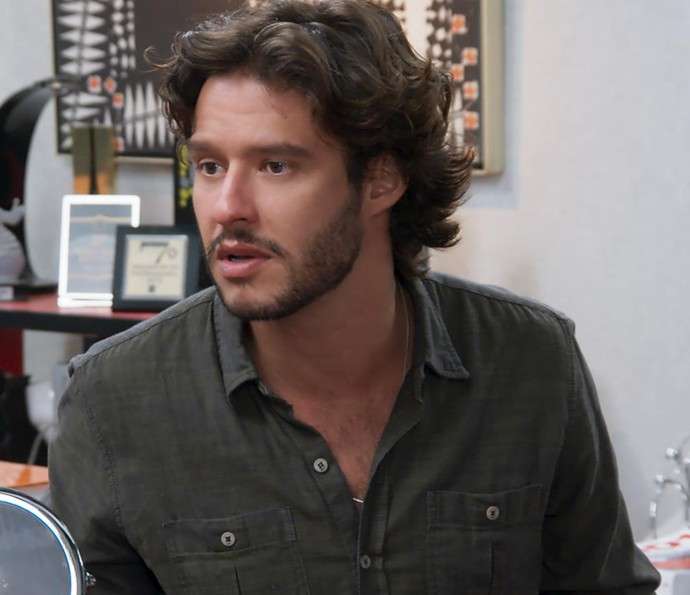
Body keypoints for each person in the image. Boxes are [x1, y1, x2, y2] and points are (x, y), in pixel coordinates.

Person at [49, 1, 660, 593]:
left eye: (275, 166)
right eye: (210, 166)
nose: (228, 207)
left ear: (381, 179)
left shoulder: (531, 361)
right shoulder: (113, 401)